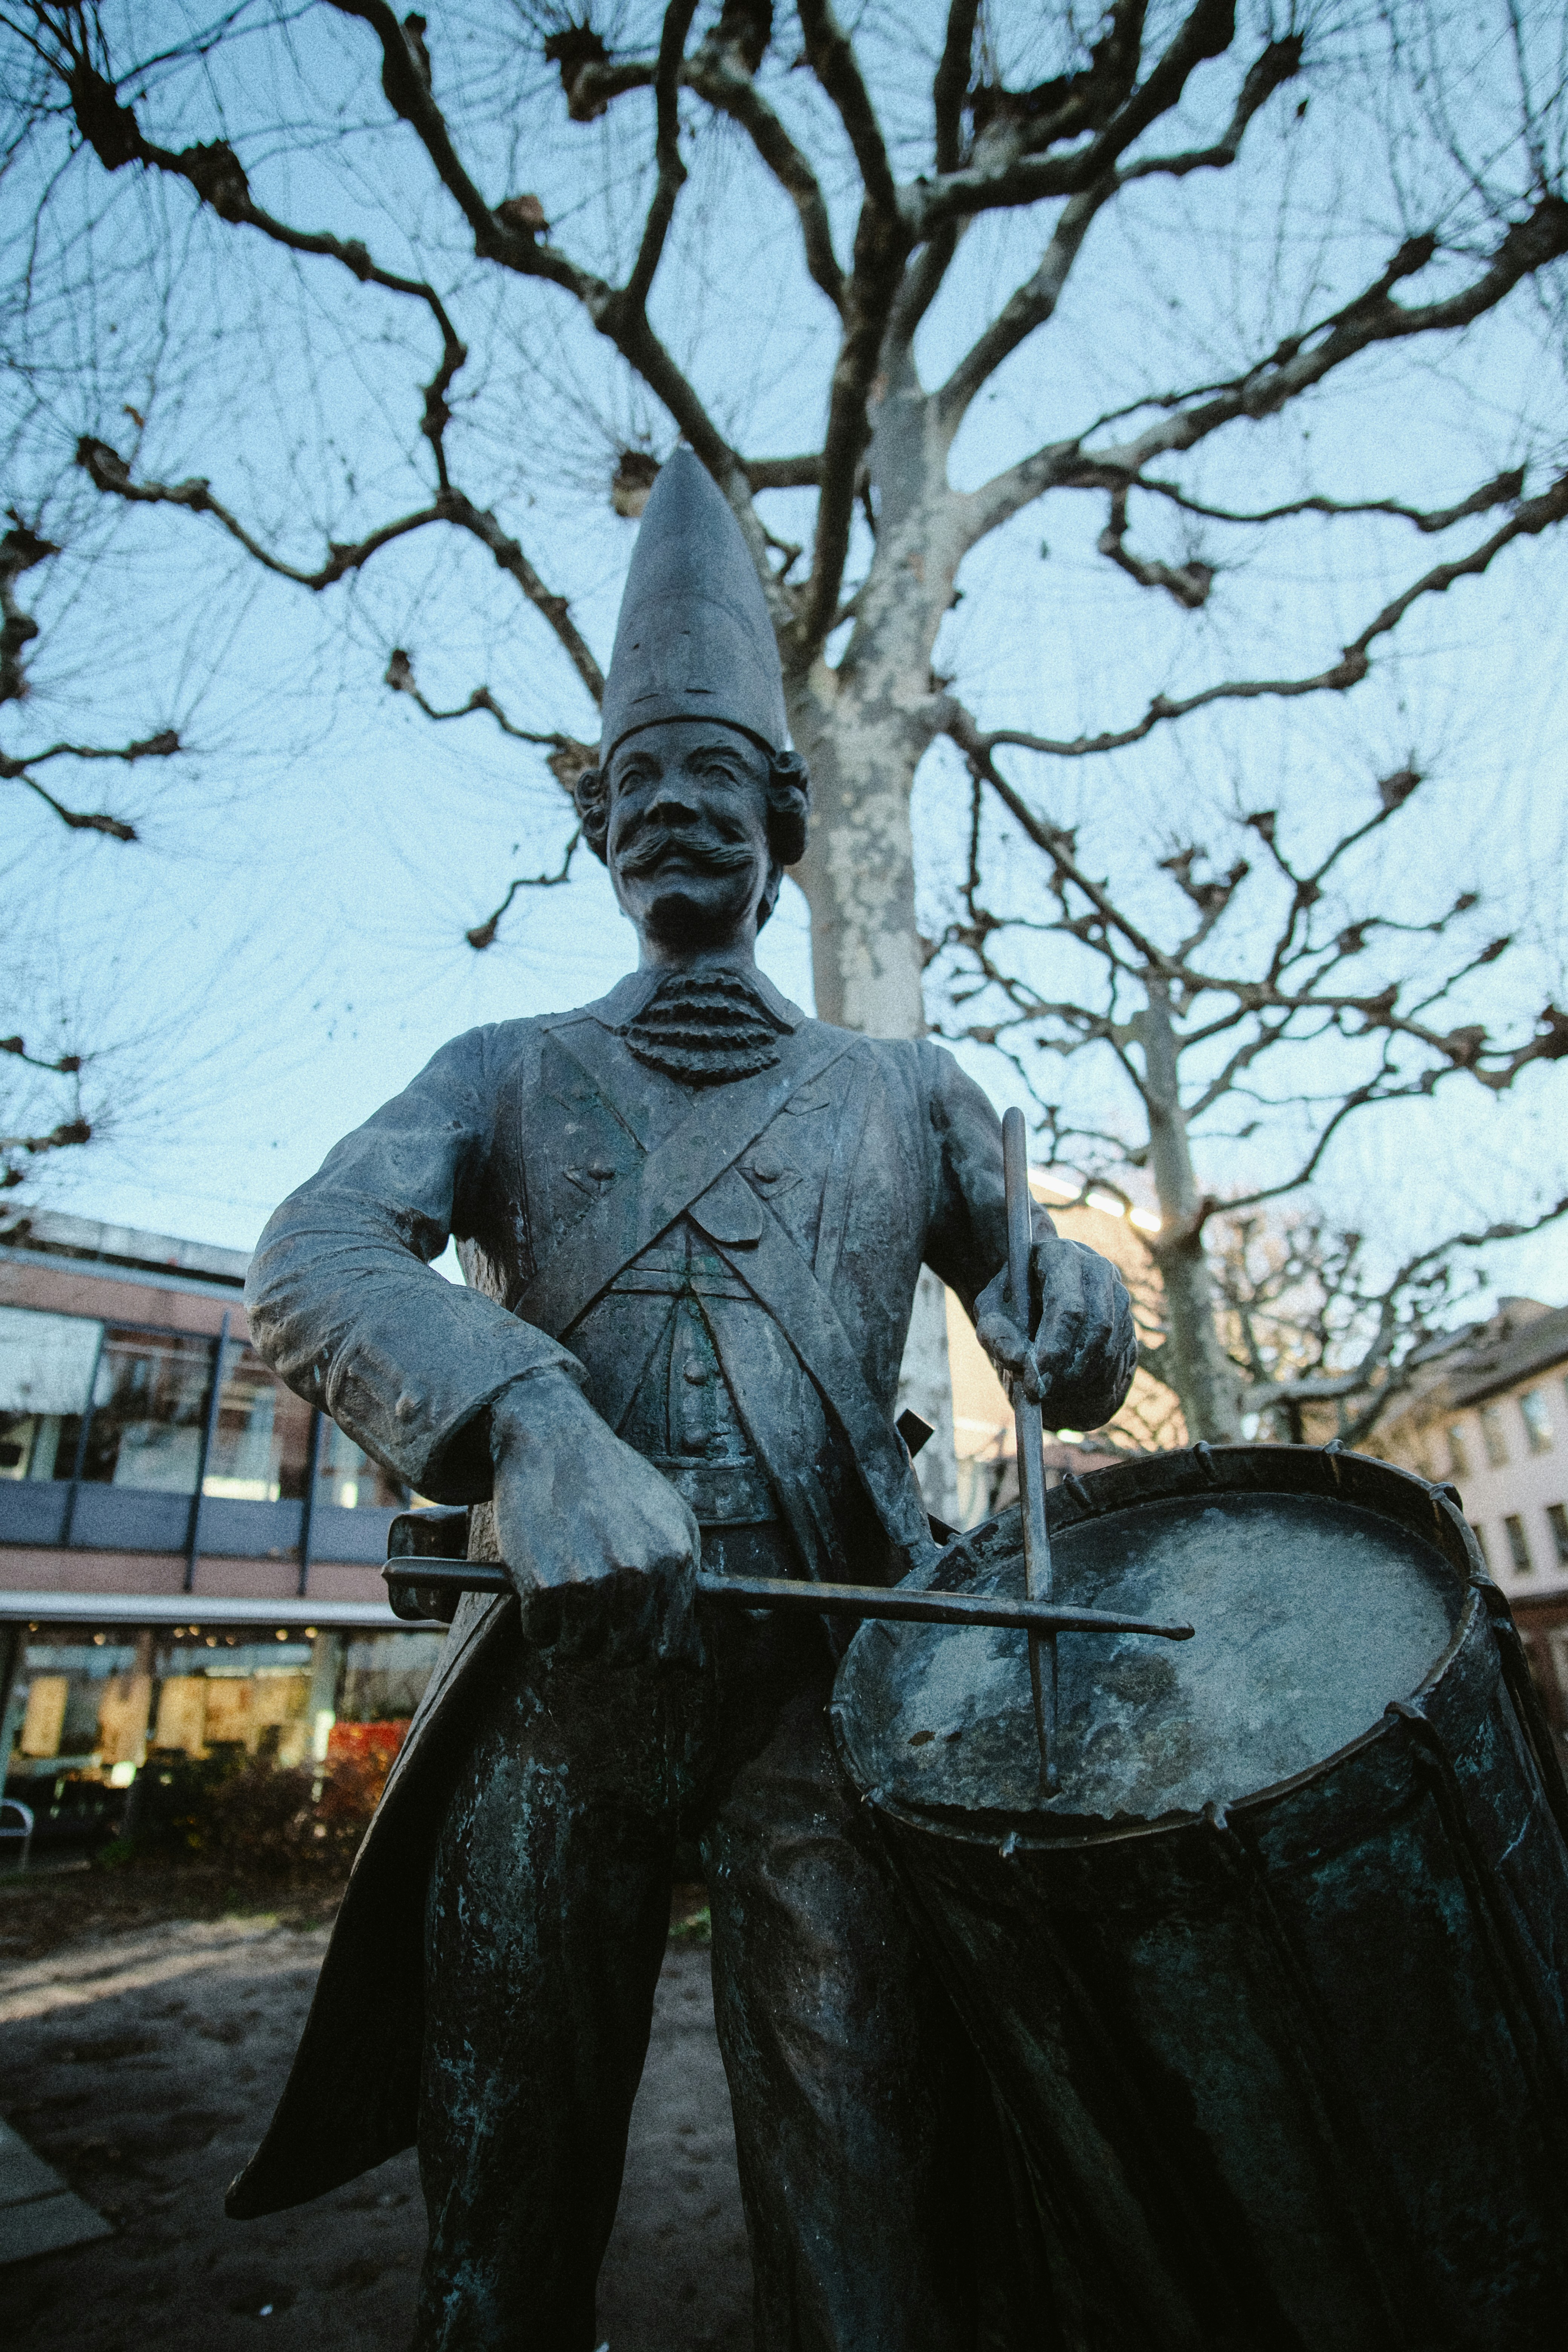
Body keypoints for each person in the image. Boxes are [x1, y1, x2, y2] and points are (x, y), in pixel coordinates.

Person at [226, 450, 1136, 2350]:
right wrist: (534, 1426)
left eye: (706, 776)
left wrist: (1082, 1317)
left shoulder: (914, 1096)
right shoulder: (498, 1071)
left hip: (823, 1710)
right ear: (599, 833)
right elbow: (306, 1256)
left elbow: (1049, 1304)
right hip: (554, 1712)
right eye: (631, 785)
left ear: (784, 815)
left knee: (871, 2245)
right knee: (495, 2265)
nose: (664, 812)